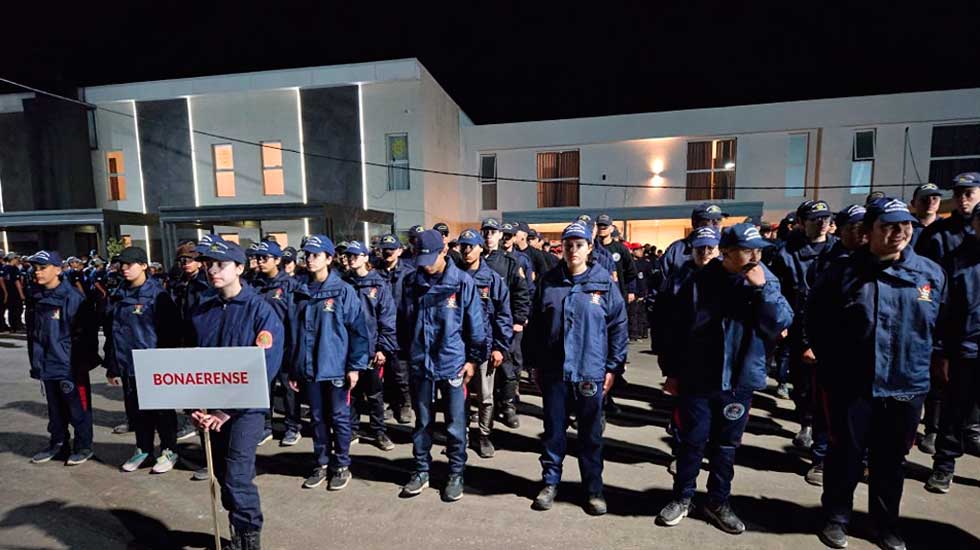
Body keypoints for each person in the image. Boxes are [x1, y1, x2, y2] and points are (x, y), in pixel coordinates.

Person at [808, 198, 945, 550]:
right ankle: (837, 518)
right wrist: (834, 368)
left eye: (905, 225)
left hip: (905, 384)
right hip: (852, 384)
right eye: (888, 225)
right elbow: (817, 324)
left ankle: (885, 525)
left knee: (890, 461)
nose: (899, 233)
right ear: (868, 233)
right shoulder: (842, 274)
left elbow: (941, 326)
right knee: (845, 456)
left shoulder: (929, 274)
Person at [656, 223, 793, 534]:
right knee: (692, 441)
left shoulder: (764, 279)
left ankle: (718, 501)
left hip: (739, 380)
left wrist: (762, 290)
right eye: (748, 250)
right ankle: (683, 497)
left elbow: (782, 323)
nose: (756, 255)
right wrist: (672, 372)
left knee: (726, 445)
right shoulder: (698, 280)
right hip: (698, 378)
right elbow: (673, 331)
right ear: (727, 252)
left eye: (759, 249)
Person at [186, 236, 284, 550]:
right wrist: (196, 405)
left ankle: (249, 540)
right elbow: (193, 363)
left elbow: (263, 368)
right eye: (208, 264)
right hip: (211, 408)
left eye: (221, 264)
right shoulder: (202, 310)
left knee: (238, 478)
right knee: (223, 476)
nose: (213, 270)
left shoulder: (261, 311)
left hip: (245, 410)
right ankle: (237, 536)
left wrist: (226, 411)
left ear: (239, 268)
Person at [526, 222, 627, 516]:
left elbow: (618, 326)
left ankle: (593, 488)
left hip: (590, 371)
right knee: (553, 432)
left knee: (590, 436)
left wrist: (613, 367)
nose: (572, 250)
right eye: (568, 245)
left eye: (579, 245)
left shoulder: (604, 282)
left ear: (589, 248)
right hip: (555, 371)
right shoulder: (549, 281)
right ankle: (549, 483)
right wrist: (535, 364)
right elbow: (536, 326)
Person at [397, 229, 485, 502]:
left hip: (452, 363)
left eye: (430, 258)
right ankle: (422, 470)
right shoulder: (411, 281)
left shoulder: (461, 283)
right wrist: (409, 353)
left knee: (455, 424)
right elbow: (403, 322)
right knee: (422, 422)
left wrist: (472, 359)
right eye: (421, 258)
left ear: (444, 252)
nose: (426, 264)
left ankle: (456, 473)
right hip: (421, 363)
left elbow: (476, 325)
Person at [290, 235, 370, 491]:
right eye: (307, 255)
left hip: (335, 368)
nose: (310, 260)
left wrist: (355, 366)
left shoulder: (343, 290)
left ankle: (342, 465)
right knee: (316, 418)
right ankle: (321, 463)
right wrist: (294, 367)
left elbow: (359, 331)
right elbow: (293, 333)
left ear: (329, 258)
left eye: (315, 255)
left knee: (339, 418)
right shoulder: (300, 291)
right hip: (310, 369)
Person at [770, 199, 839, 485]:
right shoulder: (787, 252)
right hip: (798, 324)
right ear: (801, 222)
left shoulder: (839, 249)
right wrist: (780, 322)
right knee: (803, 382)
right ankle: (806, 422)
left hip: (834, 328)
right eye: (814, 218)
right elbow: (778, 289)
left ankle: (823, 451)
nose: (821, 222)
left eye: (825, 217)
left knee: (828, 389)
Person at [915, 173, 980, 454]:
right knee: (943, 385)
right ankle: (934, 430)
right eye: (959, 193)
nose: (963, 199)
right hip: (949, 324)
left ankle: (972, 428)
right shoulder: (938, 233)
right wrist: (925, 309)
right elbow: (922, 279)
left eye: (970, 193)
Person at [104, 247, 182, 473]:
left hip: (154, 363)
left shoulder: (158, 295)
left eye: (130, 264)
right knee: (137, 411)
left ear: (144, 266)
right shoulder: (119, 293)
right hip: (128, 363)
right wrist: (113, 365)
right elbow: (113, 331)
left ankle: (169, 450)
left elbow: (170, 333)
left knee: (162, 411)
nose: (125, 269)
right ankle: (143, 449)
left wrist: (167, 363)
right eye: (122, 265)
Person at [925, 202, 980, 494]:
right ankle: (944, 466)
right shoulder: (956, 261)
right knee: (954, 411)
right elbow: (943, 310)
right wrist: (941, 352)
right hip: (964, 350)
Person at [26, 250, 100, 466]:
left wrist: (82, 363)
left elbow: (87, 334)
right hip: (46, 364)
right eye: (35, 268)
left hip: (69, 365)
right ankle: (58, 444)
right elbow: (35, 335)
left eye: (43, 268)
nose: (37, 273)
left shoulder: (73, 298)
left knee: (79, 409)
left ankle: (83, 446)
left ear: (58, 269)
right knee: (55, 410)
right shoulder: (36, 296)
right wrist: (36, 363)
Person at [457, 229, 513, 458]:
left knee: (485, 396)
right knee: (457, 395)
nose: (466, 250)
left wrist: (500, 347)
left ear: (481, 248)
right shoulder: (454, 276)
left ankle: (484, 435)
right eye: (463, 246)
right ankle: (461, 436)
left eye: (471, 246)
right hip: (457, 347)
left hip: (485, 347)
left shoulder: (492, 280)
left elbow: (503, 315)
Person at [343, 240, 397, 452]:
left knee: (374, 394)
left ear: (366, 258)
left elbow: (387, 317)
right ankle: (353, 428)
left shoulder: (379, 284)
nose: (351, 259)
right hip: (349, 349)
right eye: (349, 255)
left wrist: (383, 347)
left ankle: (378, 430)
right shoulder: (344, 283)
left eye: (356, 255)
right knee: (351, 391)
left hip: (372, 349)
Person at [250, 241, 302, 447]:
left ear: (277, 260)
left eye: (265, 258)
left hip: (286, 346)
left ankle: (292, 426)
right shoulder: (254, 285)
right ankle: (266, 425)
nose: (260, 262)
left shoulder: (289, 285)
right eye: (258, 258)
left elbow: (295, 319)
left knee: (289, 389)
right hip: (262, 347)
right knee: (264, 389)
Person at [480, 218, 530, 429]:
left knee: (509, 368)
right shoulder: (476, 259)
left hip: (505, 323)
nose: (489, 236)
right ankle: (487, 408)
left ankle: (508, 406)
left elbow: (522, 292)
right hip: (482, 324)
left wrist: (519, 320)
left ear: (501, 236)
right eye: (486, 232)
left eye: (493, 232)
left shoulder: (511, 263)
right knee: (485, 369)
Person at [373, 233, 416, 424]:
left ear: (399, 250)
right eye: (385, 250)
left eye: (392, 250)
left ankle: (406, 403)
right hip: (382, 326)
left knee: (401, 368)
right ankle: (392, 402)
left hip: (403, 327)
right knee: (386, 368)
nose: (388, 253)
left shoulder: (409, 272)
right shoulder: (374, 274)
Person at [660, 203, 728, 280]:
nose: (716, 225)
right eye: (709, 221)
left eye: (718, 221)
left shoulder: (728, 248)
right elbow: (661, 283)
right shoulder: (676, 250)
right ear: (695, 223)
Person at [628, 242, 653, 341]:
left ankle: (643, 332)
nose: (640, 251)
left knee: (643, 312)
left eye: (641, 249)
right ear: (633, 251)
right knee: (633, 313)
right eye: (638, 250)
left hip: (643, 291)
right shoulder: (630, 263)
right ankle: (634, 333)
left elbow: (649, 277)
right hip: (634, 292)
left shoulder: (645, 263)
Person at [909, 183, 944, 250]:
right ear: (913, 203)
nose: (930, 202)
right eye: (924, 198)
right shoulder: (905, 226)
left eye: (934, 198)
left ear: (940, 202)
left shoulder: (945, 227)